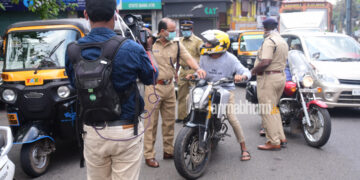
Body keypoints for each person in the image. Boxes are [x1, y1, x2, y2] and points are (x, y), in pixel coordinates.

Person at [65, 0, 158, 179]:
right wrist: (147, 49)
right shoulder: (131, 47)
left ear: (86, 15)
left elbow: (74, 85)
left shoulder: (72, 50)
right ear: (115, 14)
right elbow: (151, 77)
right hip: (125, 129)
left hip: (92, 130)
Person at [143, 17, 206, 168]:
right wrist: (146, 43)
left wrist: (198, 69)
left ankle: (168, 150)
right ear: (162, 31)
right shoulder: (150, 43)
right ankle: (149, 155)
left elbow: (188, 58)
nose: (175, 33)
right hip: (153, 86)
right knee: (150, 123)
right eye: (171, 31)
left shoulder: (176, 44)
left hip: (170, 86)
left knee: (169, 122)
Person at [192, 29, 251, 161]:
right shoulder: (204, 56)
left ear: (220, 45)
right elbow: (202, 72)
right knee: (193, 107)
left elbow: (246, 71)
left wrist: (242, 76)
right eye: (206, 42)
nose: (206, 44)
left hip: (225, 90)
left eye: (209, 43)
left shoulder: (231, 59)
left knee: (231, 118)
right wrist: (195, 75)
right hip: (208, 89)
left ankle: (244, 148)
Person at [251, 17, 288, 150]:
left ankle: (273, 142)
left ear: (265, 28)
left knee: (267, 110)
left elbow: (265, 61)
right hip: (280, 77)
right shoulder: (282, 40)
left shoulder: (269, 41)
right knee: (273, 108)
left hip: (269, 78)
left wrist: (254, 70)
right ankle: (281, 137)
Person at [176, 20, 204, 123]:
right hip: (183, 70)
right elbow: (177, 57)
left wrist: (200, 71)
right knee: (181, 95)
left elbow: (203, 57)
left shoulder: (198, 41)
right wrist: (176, 72)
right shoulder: (179, 41)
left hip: (194, 71)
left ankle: (193, 117)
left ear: (191, 30)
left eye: (187, 30)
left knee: (194, 95)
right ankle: (181, 116)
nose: (185, 32)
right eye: (183, 30)